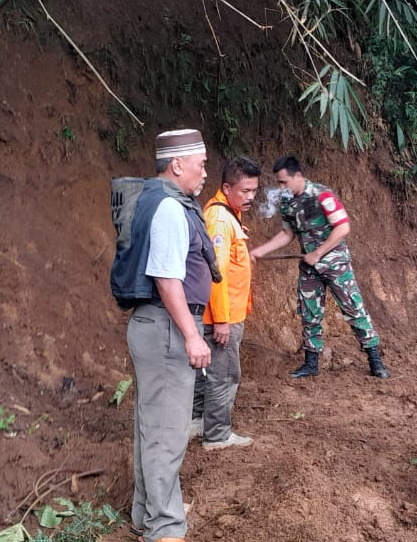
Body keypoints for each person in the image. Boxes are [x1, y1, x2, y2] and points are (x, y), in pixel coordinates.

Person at [112, 129, 215, 542]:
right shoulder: (171, 209)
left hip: (154, 326)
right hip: (169, 328)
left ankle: (146, 516)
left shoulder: (153, 200)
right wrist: (193, 336)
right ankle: (165, 529)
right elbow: (167, 279)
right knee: (167, 434)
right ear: (177, 165)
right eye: (201, 163)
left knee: (151, 427)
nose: (205, 172)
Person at [248, 155, 390, 379]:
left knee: (353, 309)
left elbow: (342, 227)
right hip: (309, 265)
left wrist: (318, 253)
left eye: (284, 182)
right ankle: (311, 363)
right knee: (309, 313)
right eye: (279, 183)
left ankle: (375, 360)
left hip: (335, 263)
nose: (281, 187)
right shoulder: (288, 202)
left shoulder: (322, 194)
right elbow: (287, 233)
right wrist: (260, 251)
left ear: (298, 176)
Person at [190, 157, 260, 450]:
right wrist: (221, 319)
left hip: (226, 312)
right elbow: (214, 272)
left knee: (210, 374)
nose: (250, 197)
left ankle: (196, 422)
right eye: (244, 191)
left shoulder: (227, 214)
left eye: (254, 191)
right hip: (222, 315)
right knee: (225, 374)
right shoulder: (220, 219)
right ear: (227, 187)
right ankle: (217, 435)